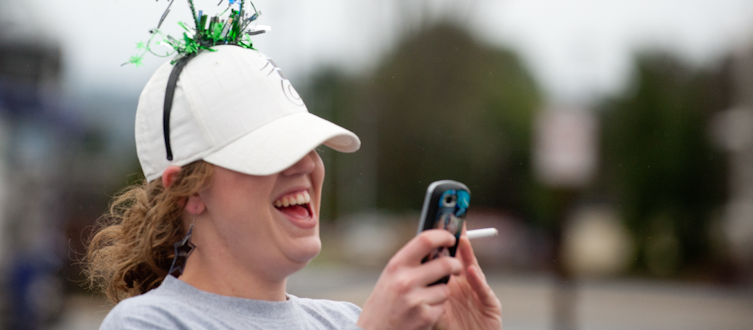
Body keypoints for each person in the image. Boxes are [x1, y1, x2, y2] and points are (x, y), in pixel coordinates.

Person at [87, 46, 502, 329]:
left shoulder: (346, 321)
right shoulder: (148, 323)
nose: (306, 163)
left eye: (307, 144)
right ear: (186, 193)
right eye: (270, 151)